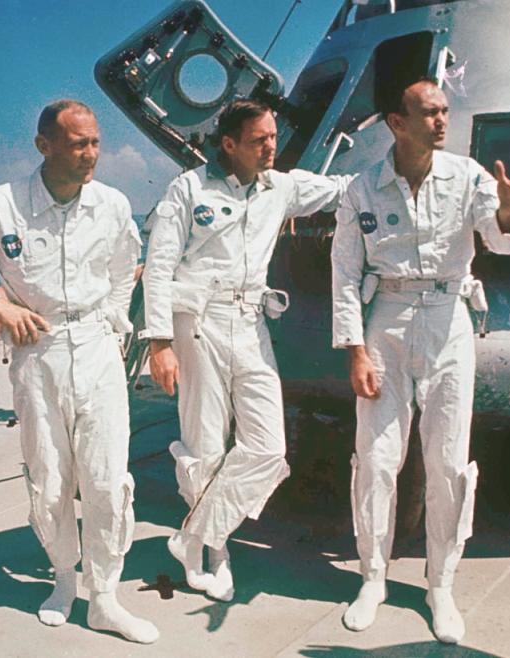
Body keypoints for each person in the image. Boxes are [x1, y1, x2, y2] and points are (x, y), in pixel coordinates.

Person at [0, 100, 158, 644]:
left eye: (95, 142)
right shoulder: (0, 206)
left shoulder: (112, 204)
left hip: (98, 348)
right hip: (38, 351)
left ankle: (105, 598)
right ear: (44, 145)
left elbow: (126, 265)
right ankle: (63, 581)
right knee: (50, 478)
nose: (91, 154)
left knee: (105, 479)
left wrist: (118, 323)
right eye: (79, 143)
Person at [331, 78, 510, 643]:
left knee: (446, 461)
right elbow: (345, 273)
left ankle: (441, 584)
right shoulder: (362, 189)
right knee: (376, 457)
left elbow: (501, 240)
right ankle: (373, 577)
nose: (442, 121)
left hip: (448, 321)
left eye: (445, 111)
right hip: (386, 320)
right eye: (428, 112)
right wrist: (355, 349)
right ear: (397, 122)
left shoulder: (469, 176)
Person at [143, 98, 351, 602]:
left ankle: (193, 535)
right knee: (206, 444)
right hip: (199, 322)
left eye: (273, 138)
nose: (271, 148)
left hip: (251, 321)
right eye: (259, 141)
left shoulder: (282, 186)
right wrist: (159, 343)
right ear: (229, 144)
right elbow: (158, 266)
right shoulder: (188, 189)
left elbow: (346, 190)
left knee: (267, 447)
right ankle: (214, 554)